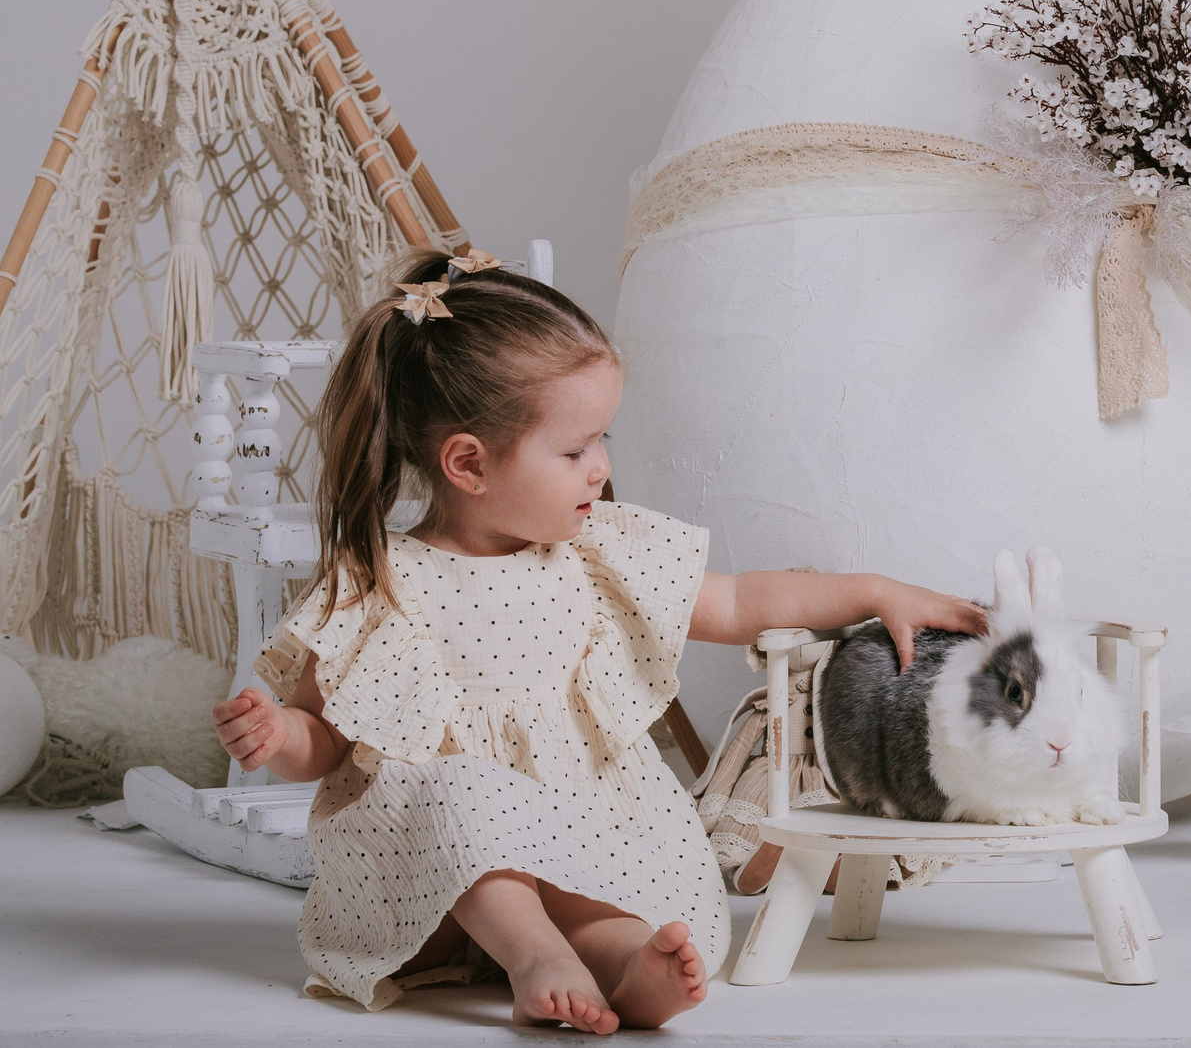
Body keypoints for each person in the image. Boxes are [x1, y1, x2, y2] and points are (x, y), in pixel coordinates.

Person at [211, 246, 983, 1031]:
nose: (600, 467)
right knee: (450, 787)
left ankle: (618, 962)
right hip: (436, 883)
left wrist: (877, 590)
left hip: (579, 848)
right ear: (469, 463)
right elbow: (326, 743)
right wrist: (279, 735)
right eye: (575, 449)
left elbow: (745, 598)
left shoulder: (595, 554)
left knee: (614, 893)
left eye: (601, 439)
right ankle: (532, 953)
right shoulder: (383, 581)